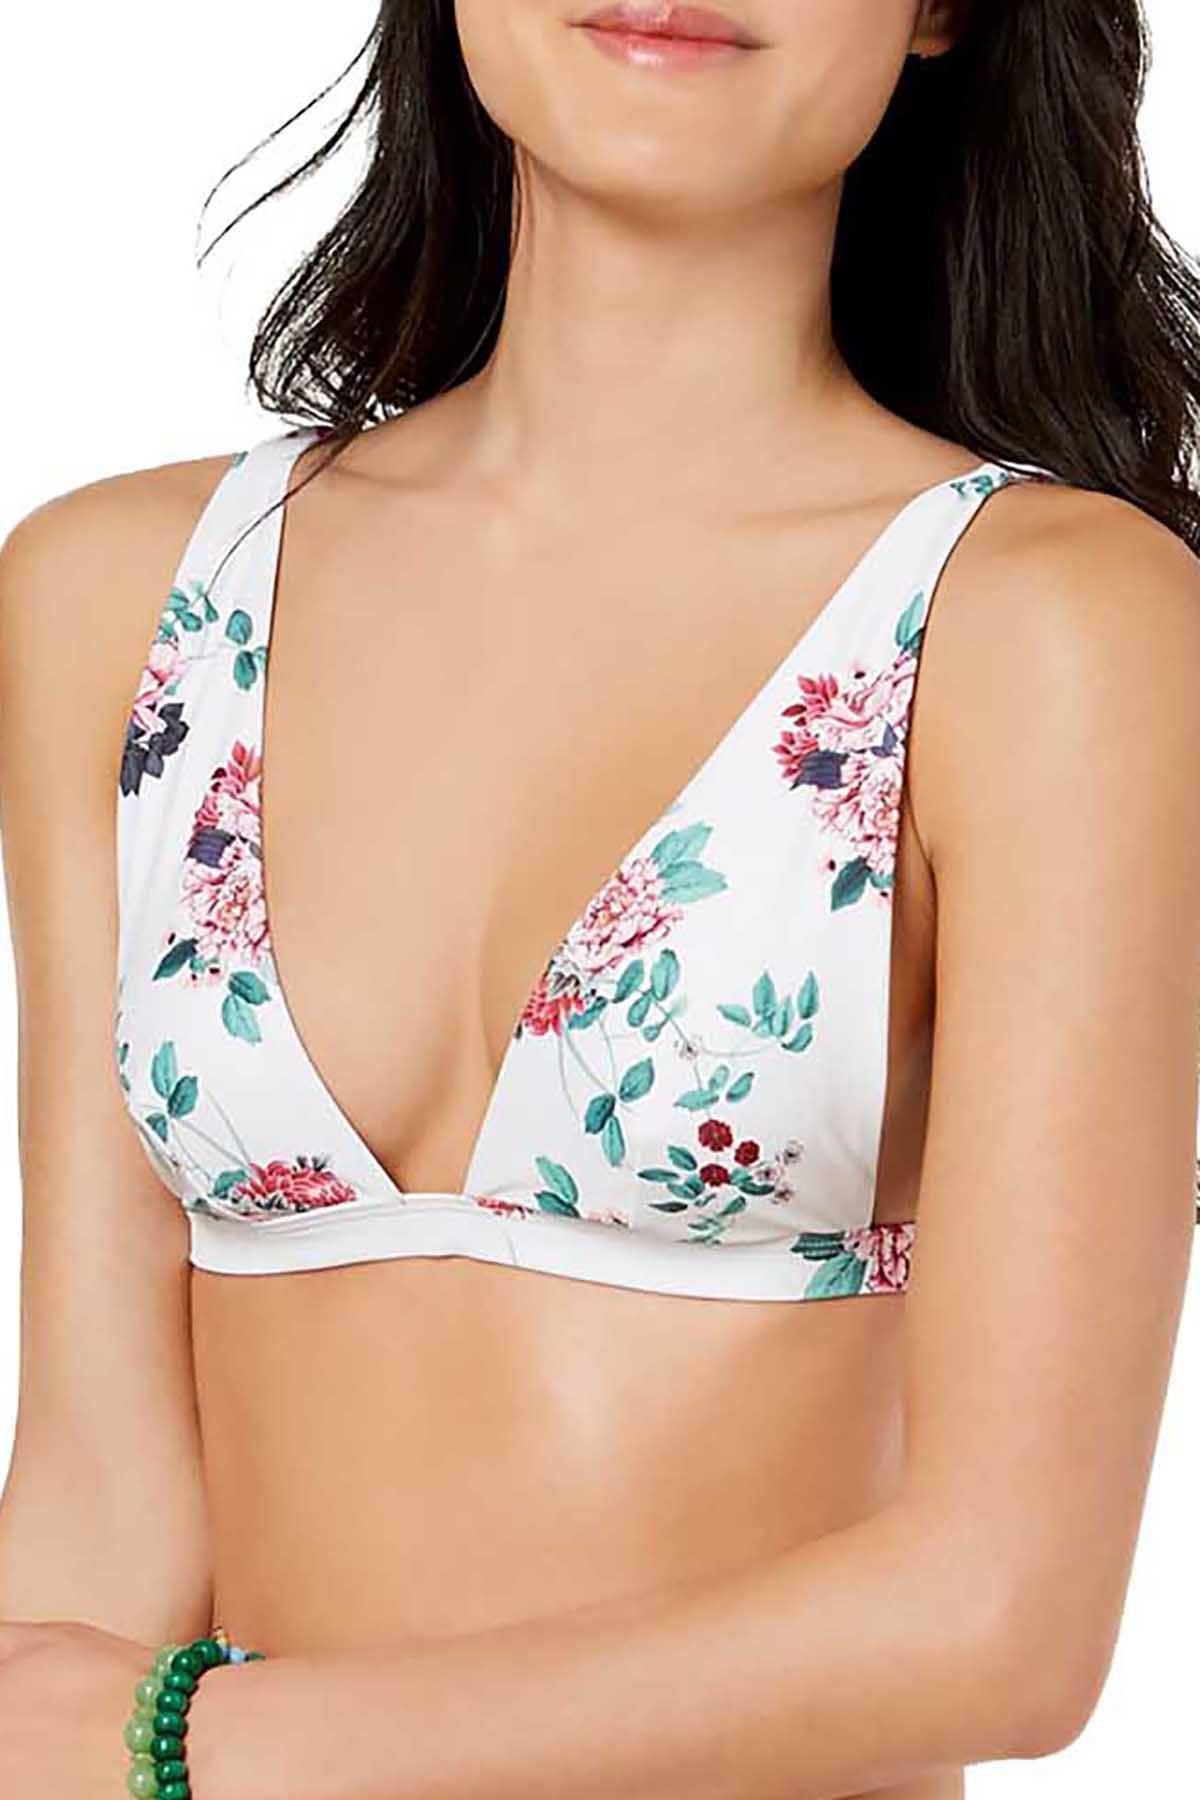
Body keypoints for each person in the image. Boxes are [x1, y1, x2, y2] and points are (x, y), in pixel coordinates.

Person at [1, 3, 1198, 1795]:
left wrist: (200, 1749)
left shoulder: (1052, 624)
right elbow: (98, 1503)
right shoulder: (124, 594)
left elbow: (999, 1621)